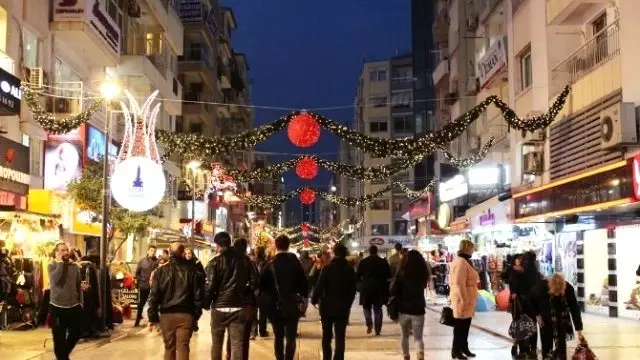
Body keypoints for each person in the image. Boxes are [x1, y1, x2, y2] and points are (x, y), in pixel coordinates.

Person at [205, 232, 259, 360]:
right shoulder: (245, 260)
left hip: (219, 307)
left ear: (218, 245)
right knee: (237, 344)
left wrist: (206, 303)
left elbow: (210, 286)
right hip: (239, 307)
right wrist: (243, 292)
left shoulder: (214, 262)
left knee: (217, 344)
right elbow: (255, 281)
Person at [148, 242, 203, 360]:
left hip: (166, 315)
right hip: (186, 315)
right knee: (183, 347)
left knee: (169, 347)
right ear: (183, 253)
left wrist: (152, 316)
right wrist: (196, 315)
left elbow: (154, 296)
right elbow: (197, 296)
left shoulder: (160, 271)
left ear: (169, 252)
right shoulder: (192, 271)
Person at [261, 235, 308, 360]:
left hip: (275, 305)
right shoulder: (295, 262)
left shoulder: (270, 264)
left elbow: (263, 286)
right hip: (292, 304)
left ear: (276, 246)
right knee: (291, 336)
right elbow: (304, 284)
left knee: (278, 336)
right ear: (288, 246)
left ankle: (279, 357)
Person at [312, 243, 357, 360]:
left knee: (327, 335)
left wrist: (314, 299)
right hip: (343, 308)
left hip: (327, 307)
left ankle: (327, 357)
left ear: (334, 253)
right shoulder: (349, 270)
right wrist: (348, 303)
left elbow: (319, 286)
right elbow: (353, 290)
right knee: (340, 336)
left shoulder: (327, 268)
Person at [531, 273, 584, 360]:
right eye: (555, 292)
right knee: (547, 348)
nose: (557, 294)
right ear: (550, 287)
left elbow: (575, 309)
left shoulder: (568, 289)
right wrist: (537, 315)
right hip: (545, 321)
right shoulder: (541, 287)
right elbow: (531, 301)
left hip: (561, 321)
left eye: (559, 292)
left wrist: (579, 330)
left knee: (561, 348)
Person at [48, 242, 87, 360]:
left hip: (73, 305)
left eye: (66, 250)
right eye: (62, 250)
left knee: (78, 331)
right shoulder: (52, 265)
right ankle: (63, 357)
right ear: (57, 252)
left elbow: (77, 282)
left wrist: (80, 286)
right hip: (57, 306)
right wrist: (60, 263)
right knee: (59, 339)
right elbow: (56, 280)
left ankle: (63, 356)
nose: (65, 252)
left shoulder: (74, 266)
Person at [390, 250, 429, 360]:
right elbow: (424, 286)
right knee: (418, 338)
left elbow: (393, 290)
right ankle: (420, 355)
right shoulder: (422, 273)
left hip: (403, 308)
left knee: (404, 335)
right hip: (418, 308)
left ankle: (406, 356)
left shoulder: (401, 272)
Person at [225, 238, 259, 359]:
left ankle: (229, 354)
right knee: (244, 337)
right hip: (246, 304)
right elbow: (255, 281)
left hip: (229, 302)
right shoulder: (248, 262)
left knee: (231, 333)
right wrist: (246, 290)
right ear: (245, 248)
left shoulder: (226, 260)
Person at [449, 240, 479, 359]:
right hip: (463, 300)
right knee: (460, 327)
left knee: (465, 326)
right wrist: (465, 299)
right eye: (472, 248)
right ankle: (456, 351)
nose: (473, 250)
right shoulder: (461, 262)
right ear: (467, 248)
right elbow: (459, 283)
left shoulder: (463, 261)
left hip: (466, 300)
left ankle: (464, 348)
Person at [356, 245, 392, 335]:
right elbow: (389, 274)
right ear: (377, 251)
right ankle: (378, 328)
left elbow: (357, 276)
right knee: (377, 308)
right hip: (379, 288)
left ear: (369, 251)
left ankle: (369, 323)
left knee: (366, 307)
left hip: (366, 288)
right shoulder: (383, 262)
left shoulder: (363, 262)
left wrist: (361, 284)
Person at [134, 246, 158, 327]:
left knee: (154, 303)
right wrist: (141, 280)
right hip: (144, 285)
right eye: (151, 250)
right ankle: (137, 320)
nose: (153, 252)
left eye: (154, 251)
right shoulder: (142, 261)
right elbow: (137, 273)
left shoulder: (157, 262)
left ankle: (154, 322)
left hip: (154, 285)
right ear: (148, 251)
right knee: (141, 303)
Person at [253, 246, 270, 338]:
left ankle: (254, 331)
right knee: (263, 312)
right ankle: (262, 331)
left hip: (254, 291)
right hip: (264, 291)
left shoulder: (251, 262)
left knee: (254, 311)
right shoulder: (268, 263)